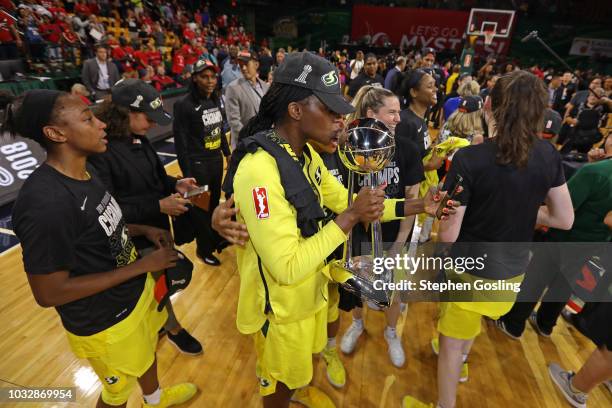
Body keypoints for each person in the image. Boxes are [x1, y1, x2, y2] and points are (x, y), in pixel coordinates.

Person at [222, 52, 455, 408]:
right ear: (296, 110)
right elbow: (286, 267)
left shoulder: (303, 155)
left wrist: (421, 205)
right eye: (330, 111)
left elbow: (356, 204)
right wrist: (348, 218)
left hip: (309, 296)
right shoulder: (258, 172)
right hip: (281, 311)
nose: (340, 120)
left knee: (299, 373)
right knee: (278, 385)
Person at [6, 89, 197, 407]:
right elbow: (49, 293)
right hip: (104, 322)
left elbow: (97, 225)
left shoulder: (86, 171)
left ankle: (155, 399)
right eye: (87, 118)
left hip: (131, 297)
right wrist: (140, 267)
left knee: (147, 350)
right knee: (116, 391)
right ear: (55, 133)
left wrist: (141, 229)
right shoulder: (44, 202)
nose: (102, 124)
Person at [402, 70, 574, 408]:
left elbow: (449, 233)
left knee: (451, 345)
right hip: (512, 274)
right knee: (470, 326)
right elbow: (563, 219)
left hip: (469, 271)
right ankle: (461, 361)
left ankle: (444, 403)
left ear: (489, 106)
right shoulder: (548, 155)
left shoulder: (469, 159)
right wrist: (523, 211)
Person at [88, 79, 204, 354]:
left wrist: (175, 184)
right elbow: (108, 209)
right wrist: (158, 205)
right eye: (148, 117)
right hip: (131, 239)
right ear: (126, 113)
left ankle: (165, 324)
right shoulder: (100, 152)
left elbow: (155, 177)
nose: (153, 124)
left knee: (161, 283)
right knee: (142, 291)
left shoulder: (138, 138)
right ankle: (170, 328)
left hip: (158, 230)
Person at [338, 86, 425, 368]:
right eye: (392, 112)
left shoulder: (409, 149)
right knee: (357, 285)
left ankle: (391, 332)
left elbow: (413, 197)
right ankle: (358, 323)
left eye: (399, 112)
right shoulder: (351, 148)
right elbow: (345, 197)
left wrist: (399, 245)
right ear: (371, 114)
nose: (399, 118)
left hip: (396, 233)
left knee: (394, 289)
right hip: (361, 232)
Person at [497, 133, 612, 340]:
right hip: (594, 242)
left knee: (536, 277)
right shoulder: (597, 169)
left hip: (566, 236)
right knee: (565, 282)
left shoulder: (595, 172)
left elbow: (565, 208)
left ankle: (513, 323)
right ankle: (545, 324)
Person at [173, 59, 230, 265]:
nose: (209, 80)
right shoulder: (184, 105)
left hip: (215, 163)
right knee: (200, 209)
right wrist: (187, 174)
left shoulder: (214, 99)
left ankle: (213, 240)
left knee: (214, 204)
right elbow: (181, 143)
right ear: (195, 78)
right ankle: (202, 249)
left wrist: (227, 152)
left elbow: (220, 130)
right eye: (204, 76)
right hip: (197, 166)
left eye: (212, 76)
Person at [225, 50, 270, 149]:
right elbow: (234, 121)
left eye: (246, 64)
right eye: (241, 65)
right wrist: (251, 140)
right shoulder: (233, 88)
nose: (243, 68)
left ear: (256, 65)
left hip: (265, 142)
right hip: (245, 144)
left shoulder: (265, 87)